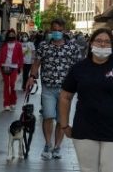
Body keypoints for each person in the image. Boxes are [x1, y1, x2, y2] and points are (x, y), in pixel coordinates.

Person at [59, 28, 113, 172]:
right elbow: (65, 96)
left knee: (112, 169)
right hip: (85, 130)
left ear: (112, 45)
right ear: (91, 43)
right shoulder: (79, 68)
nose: (102, 44)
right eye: (98, 41)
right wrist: (65, 125)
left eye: (106, 42)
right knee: (88, 169)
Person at [26, 18, 82, 160]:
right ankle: (47, 144)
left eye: (59, 30)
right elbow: (36, 62)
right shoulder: (44, 46)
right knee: (48, 115)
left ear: (64, 31)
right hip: (48, 87)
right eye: (54, 30)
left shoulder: (72, 47)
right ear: (50, 31)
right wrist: (32, 77)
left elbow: (78, 68)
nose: (56, 33)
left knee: (61, 119)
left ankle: (57, 147)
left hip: (66, 90)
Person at [0, 29, 24, 112]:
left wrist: (20, 67)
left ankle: (13, 101)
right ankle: (6, 104)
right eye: (10, 34)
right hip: (4, 66)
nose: (11, 35)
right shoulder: (4, 44)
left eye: (13, 34)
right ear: (7, 35)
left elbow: (21, 56)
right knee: (6, 85)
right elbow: (0, 55)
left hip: (14, 66)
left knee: (12, 84)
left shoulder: (18, 45)